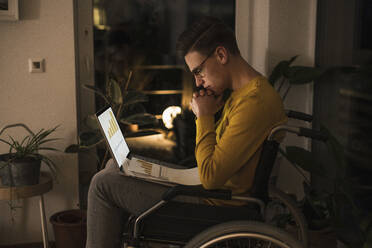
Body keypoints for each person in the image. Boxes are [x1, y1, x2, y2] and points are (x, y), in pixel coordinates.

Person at [86, 16, 287, 248]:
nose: (198, 82)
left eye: (199, 71)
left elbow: (212, 177)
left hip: (213, 206)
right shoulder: (244, 94)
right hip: (200, 187)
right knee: (115, 166)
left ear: (221, 55)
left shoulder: (254, 103)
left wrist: (205, 117)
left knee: (103, 184)